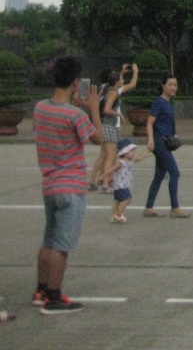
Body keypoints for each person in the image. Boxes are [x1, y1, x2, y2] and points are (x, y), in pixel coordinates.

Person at [32, 56, 104, 314]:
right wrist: (94, 108)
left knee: (49, 240)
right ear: (76, 83)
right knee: (62, 245)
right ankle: (54, 296)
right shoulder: (75, 115)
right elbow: (99, 138)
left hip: (49, 184)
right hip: (70, 186)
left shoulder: (41, 108)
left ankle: (41, 289)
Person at [143, 75, 191, 218]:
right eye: (170, 84)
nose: (173, 87)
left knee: (159, 175)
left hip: (165, 141)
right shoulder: (159, 102)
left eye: (175, 85)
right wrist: (151, 140)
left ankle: (149, 207)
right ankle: (175, 207)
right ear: (163, 86)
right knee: (174, 173)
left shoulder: (168, 102)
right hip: (159, 141)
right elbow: (150, 122)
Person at [89, 63, 138, 194]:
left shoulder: (105, 88)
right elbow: (107, 109)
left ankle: (95, 179)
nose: (122, 80)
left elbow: (117, 81)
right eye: (120, 78)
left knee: (104, 155)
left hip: (104, 124)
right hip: (110, 125)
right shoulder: (113, 91)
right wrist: (119, 114)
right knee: (110, 156)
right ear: (115, 81)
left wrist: (121, 72)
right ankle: (105, 183)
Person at [107, 138, 150, 223]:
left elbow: (140, 157)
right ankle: (118, 214)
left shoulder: (130, 161)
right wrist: (104, 177)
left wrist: (148, 150)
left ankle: (115, 214)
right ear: (124, 153)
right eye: (131, 152)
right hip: (120, 184)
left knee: (118, 200)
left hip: (124, 184)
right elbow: (111, 169)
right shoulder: (121, 162)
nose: (133, 154)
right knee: (127, 198)